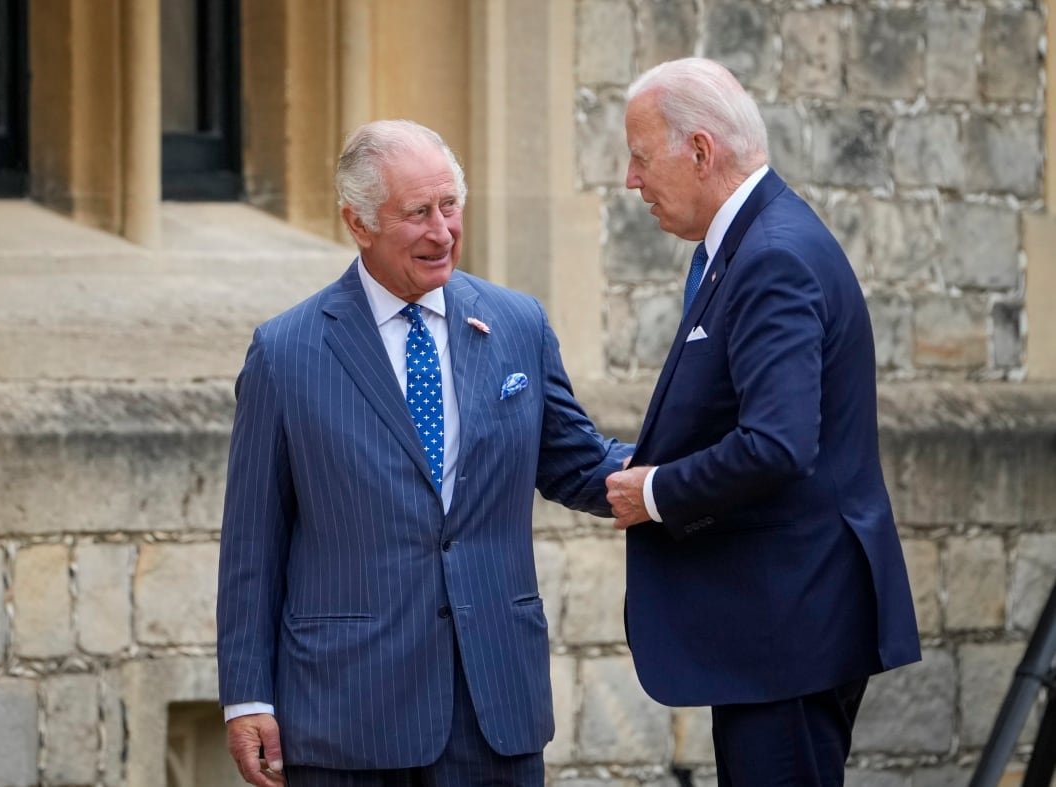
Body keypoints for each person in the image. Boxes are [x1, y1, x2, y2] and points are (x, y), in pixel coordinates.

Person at [217, 119, 630, 787]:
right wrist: (247, 696)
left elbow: (578, 462)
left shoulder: (517, 324)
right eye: (418, 213)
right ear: (359, 222)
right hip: (347, 715)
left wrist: (690, 469)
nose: (442, 231)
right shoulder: (287, 352)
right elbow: (252, 545)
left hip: (492, 704)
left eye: (450, 205)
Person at [603, 58, 921, 786]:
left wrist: (655, 493)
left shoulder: (772, 254)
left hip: (791, 629)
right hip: (777, 628)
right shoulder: (751, 242)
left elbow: (777, 443)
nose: (631, 179)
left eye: (641, 157)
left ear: (701, 152)